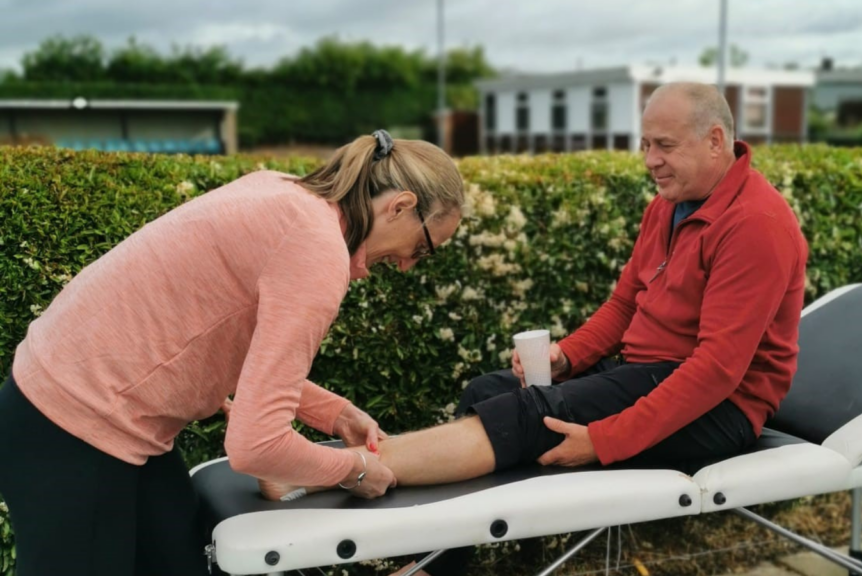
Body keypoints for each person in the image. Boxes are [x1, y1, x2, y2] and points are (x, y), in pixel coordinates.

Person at [260, 82, 809, 576]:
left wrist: (603, 441)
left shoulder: (754, 225)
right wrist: (569, 356)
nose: (650, 161)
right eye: (645, 145)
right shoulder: (670, 207)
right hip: (648, 374)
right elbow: (624, 305)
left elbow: (715, 372)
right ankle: (436, 566)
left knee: (533, 417)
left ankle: (321, 471)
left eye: (664, 145)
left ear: (716, 140)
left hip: (721, 408)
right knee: (490, 391)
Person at [0, 130, 465, 576]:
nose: (407, 265)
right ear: (401, 206)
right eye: (423, 249)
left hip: (94, 413)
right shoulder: (316, 253)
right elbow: (255, 445)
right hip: (71, 427)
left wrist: (336, 414)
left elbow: (214, 336)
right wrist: (354, 469)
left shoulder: (285, 194)